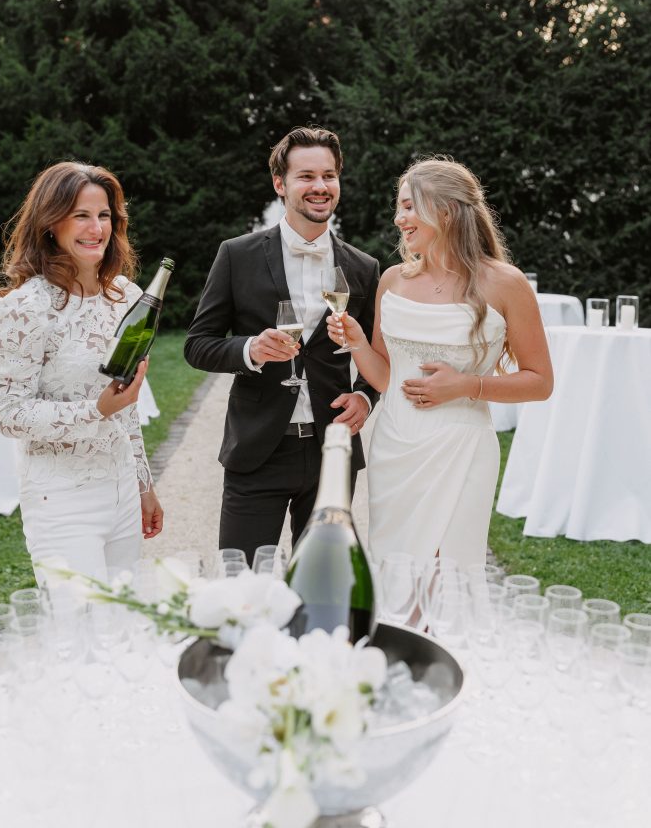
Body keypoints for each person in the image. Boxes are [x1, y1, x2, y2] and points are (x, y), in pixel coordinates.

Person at [327, 157, 553, 570]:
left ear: (446, 211)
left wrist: (467, 385)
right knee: (397, 573)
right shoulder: (392, 280)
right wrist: (359, 343)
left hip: (460, 447)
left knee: (446, 574)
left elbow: (540, 382)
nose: (399, 218)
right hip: (394, 448)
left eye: (410, 206)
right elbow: (385, 379)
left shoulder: (505, 283)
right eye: (399, 207)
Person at [184, 126, 380, 565]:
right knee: (245, 588)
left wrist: (366, 398)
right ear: (280, 184)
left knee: (322, 586)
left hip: (333, 451)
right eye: (306, 176)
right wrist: (250, 349)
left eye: (329, 176)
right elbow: (197, 345)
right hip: (258, 452)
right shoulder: (237, 254)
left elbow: (376, 357)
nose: (320, 187)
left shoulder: (364, 267)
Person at [0, 161, 164, 582]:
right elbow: (9, 414)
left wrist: (143, 484)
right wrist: (95, 410)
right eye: (80, 215)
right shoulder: (22, 309)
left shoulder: (128, 297)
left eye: (104, 215)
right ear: (51, 223)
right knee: (79, 634)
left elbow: (125, 405)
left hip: (121, 486)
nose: (96, 228)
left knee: (122, 626)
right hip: (62, 499)